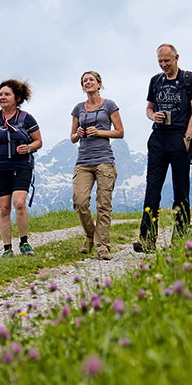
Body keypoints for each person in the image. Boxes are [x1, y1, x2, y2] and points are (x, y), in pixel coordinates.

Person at [135, 43, 192, 253]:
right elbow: (148, 107)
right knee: (152, 189)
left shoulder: (189, 79)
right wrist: (152, 115)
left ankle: (181, 239)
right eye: (160, 61)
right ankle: (147, 239)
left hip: (179, 137)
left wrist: (187, 137)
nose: (164, 65)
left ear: (176, 58)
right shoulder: (155, 81)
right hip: (158, 138)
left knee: (180, 191)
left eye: (167, 61)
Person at [0, 79, 43, 257]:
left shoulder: (26, 118)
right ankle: (7, 248)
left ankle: (24, 242)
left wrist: (28, 147)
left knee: (19, 203)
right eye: (1, 94)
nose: (2, 97)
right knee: (3, 209)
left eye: (7, 94)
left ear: (17, 98)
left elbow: (38, 141)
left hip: (21, 166)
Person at [70, 71, 124, 260]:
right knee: (80, 201)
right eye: (85, 81)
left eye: (91, 80)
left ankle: (102, 246)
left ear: (100, 84)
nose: (88, 83)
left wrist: (99, 132)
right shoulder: (78, 108)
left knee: (103, 205)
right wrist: (78, 133)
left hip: (104, 160)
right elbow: (72, 138)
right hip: (83, 161)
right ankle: (91, 235)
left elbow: (120, 132)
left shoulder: (109, 105)